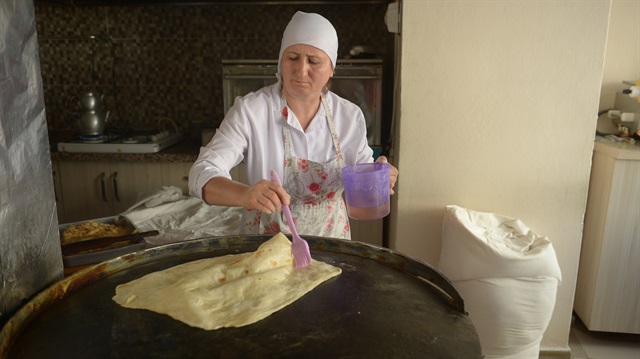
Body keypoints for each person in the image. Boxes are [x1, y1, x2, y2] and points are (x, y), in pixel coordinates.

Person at [189, 11, 398, 240]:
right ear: (280, 60)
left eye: (314, 61)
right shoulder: (251, 111)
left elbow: (362, 175)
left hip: (332, 245)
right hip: (265, 246)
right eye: (293, 58)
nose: (301, 70)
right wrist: (245, 194)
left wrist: (379, 175)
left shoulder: (349, 116)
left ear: (332, 68)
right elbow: (201, 173)